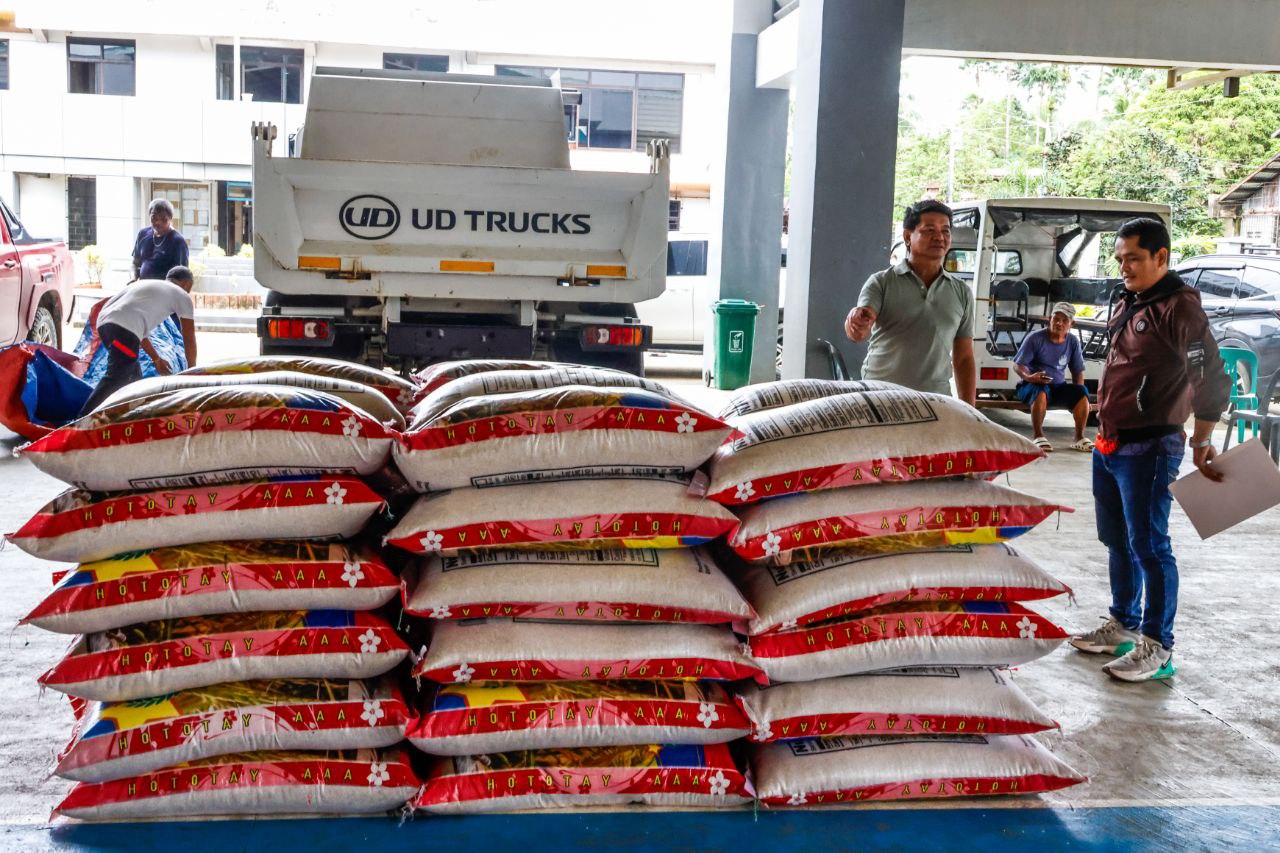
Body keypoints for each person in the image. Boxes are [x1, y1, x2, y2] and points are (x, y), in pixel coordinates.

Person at [1070, 218, 1230, 683]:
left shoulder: (1180, 307)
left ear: (1161, 256)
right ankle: (1123, 623)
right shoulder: (1131, 300)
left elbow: (1211, 378)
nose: (1124, 267)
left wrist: (1202, 439)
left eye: (1134, 259)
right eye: (1120, 259)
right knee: (1117, 539)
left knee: (1150, 546)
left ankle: (1158, 646)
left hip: (1151, 446)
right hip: (1110, 442)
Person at [845, 199, 976, 405]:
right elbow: (859, 328)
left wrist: (970, 412)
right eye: (929, 230)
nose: (939, 237)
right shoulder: (881, 282)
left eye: (945, 231)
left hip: (935, 402)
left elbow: (964, 357)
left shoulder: (961, 292)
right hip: (880, 397)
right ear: (907, 236)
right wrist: (856, 323)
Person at [76, 266, 198, 417]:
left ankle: (134, 417)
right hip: (123, 329)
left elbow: (139, 335)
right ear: (186, 284)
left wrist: (156, 359)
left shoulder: (149, 287)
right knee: (117, 376)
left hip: (105, 325)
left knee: (134, 378)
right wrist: (193, 372)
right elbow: (189, 338)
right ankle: (81, 419)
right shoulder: (181, 295)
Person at [1012, 301, 1092, 452]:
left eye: (1064, 320)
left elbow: (1077, 371)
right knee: (1040, 390)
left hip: (1058, 387)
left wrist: (1080, 398)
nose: (1059, 323)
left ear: (1072, 324)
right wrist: (1029, 377)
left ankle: (1079, 438)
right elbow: (1018, 365)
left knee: (1082, 392)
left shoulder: (1073, 341)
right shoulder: (1035, 338)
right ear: (1050, 319)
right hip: (1031, 385)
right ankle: (1038, 436)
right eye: (1056, 319)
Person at [131, 198, 190, 282]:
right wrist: (133, 278)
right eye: (154, 218)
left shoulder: (178, 242)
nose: (158, 222)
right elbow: (135, 263)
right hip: (143, 286)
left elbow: (183, 275)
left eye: (163, 219)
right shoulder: (142, 234)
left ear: (170, 218)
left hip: (165, 288)